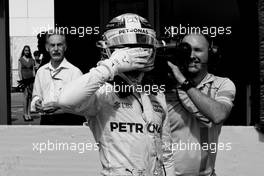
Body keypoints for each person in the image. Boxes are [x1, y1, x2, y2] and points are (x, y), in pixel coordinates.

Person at [58, 13, 174, 176]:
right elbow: (65, 100)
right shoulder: (102, 92)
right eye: (126, 47)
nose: (135, 52)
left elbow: (166, 156)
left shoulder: (156, 93)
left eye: (140, 46)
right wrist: (111, 65)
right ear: (111, 50)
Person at [166, 33, 236, 175]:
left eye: (198, 50)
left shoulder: (222, 84)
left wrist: (183, 82)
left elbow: (218, 115)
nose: (191, 55)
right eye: (186, 50)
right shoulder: (165, 88)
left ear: (210, 53)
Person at [31, 29, 85, 125]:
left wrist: (60, 107)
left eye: (59, 45)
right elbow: (36, 95)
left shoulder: (75, 73)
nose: (56, 49)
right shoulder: (41, 72)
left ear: (65, 47)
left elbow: (81, 104)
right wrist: (36, 102)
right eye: (52, 45)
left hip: (69, 122)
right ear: (47, 48)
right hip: (45, 122)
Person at [18, 45, 35, 121]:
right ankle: (25, 114)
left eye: (28, 50)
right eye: (25, 50)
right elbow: (19, 71)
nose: (27, 52)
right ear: (23, 51)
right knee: (25, 97)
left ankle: (28, 113)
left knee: (30, 97)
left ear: (29, 51)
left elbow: (33, 70)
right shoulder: (21, 59)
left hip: (31, 80)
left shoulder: (32, 60)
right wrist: (22, 81)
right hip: (24, 80)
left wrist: (35, 80)